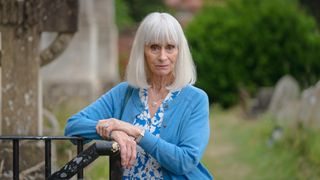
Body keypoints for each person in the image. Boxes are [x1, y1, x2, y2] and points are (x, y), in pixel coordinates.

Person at [65, 12, 213, 179]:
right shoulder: (125, 93)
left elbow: (184, 161)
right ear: (142, 51)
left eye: (170, 47)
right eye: (154, 47)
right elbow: (72, 127)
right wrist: (113, 132)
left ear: (180, 51)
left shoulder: (196, 99)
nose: (162, 56)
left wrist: (136, 132)